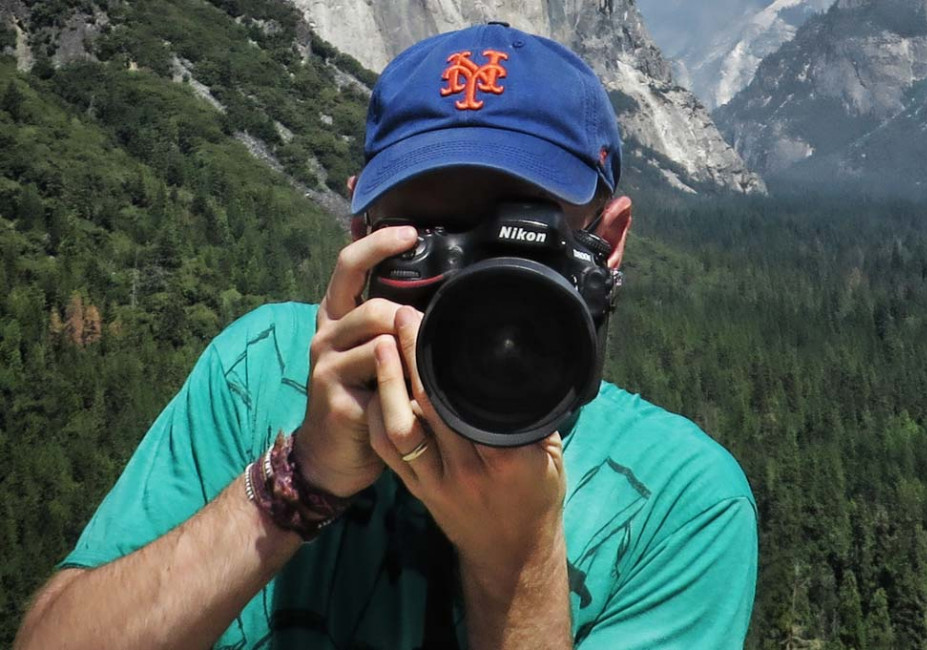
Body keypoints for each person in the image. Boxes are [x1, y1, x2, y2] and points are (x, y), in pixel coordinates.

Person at [15, 23, 757, 649]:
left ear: (609, 243)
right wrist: (295, 482)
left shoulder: (682, 500)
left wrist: (521, 566)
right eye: (423, 235)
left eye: (518, 235)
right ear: (359, 231)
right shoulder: (261, 372)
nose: (470, 280)